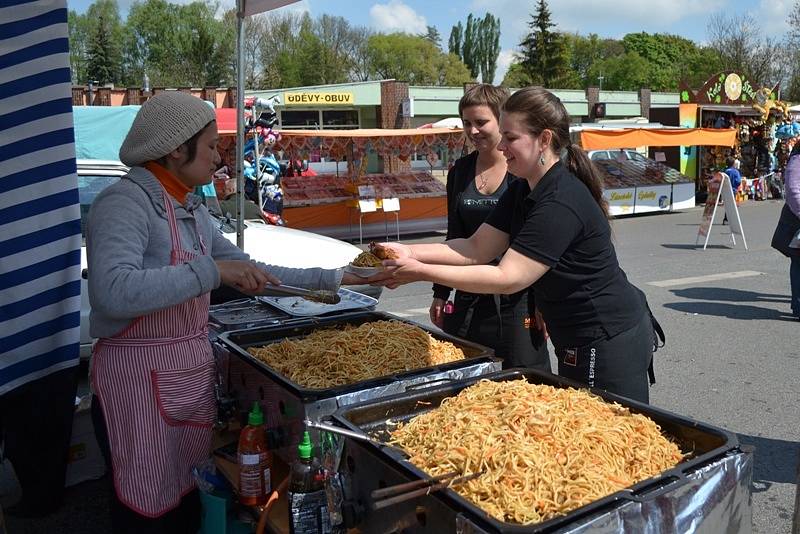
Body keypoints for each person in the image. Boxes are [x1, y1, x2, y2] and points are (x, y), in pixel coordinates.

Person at [86, 92, 358, 533]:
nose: (218, 157)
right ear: (177, 147)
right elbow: (113, 291)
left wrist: (340, 277)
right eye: (211, 145)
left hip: (185, 378)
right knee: (147, 515)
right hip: (138, 385)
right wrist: (211, 271)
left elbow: (250, 268)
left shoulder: (189, 205)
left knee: (187, 500)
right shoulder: (124, 203)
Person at [368, 87, 657, 403]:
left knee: (609, 437)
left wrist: (419, 271)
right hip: (575, 336)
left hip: (607, 337)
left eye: (511, 138)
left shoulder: (560, 198)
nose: (502, 147)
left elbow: (508, 278)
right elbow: (476, 247)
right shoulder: (522, 188)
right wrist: (408, 251)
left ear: (544, 140)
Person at [430, 84, 549, 370]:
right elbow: (455, 234)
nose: (473, 131)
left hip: (519, 296)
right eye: (466, 123)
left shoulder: (521, 172)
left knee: (524, 380)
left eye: (481, 122)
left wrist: (544, 301)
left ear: (502, 120)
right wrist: (441, 292)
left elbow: (543, 243)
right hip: (470, 293)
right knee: (466, 377)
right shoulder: (460, 171)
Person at [771, 142, 800, 321]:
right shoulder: (797, 161)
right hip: (796, 221)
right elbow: (793, 192)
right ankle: (798, 306)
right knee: (799, 263)